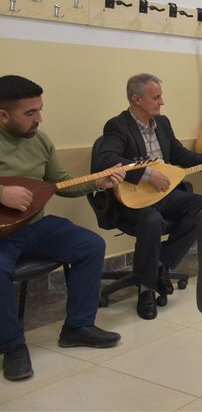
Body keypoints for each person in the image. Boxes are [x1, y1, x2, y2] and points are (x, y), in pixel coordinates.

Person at [0, 75, 123, 382]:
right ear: (3, 115)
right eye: (30, 113)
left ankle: (78, 326)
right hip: (2, 236)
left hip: (36, 225)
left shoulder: (40, 140)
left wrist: (97, 181)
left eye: (40, 110)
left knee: (89, 246)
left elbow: (59, 183)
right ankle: (13, 346)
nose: (39, 119)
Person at [94, 73, 202, 320]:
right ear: (136, 99)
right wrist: (146, 173)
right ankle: (146, 290)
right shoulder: (117, 126)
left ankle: (161, 265)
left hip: (164, 194)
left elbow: (179, 155)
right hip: (134, 201)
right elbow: (106, 159)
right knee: (151, 221)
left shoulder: (162, 123)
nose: (162, 102)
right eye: (156, 97)